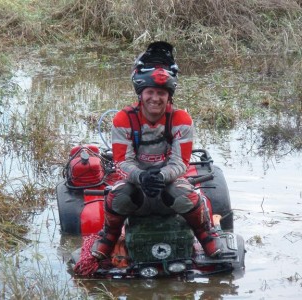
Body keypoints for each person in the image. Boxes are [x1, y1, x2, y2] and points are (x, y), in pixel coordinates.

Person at [91, 41, 222, 260]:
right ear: (140, 93)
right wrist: (141, 176)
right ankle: (110, 236)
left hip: (167, 184)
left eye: (161, 93)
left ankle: (205, 236)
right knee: (116, 196)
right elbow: (122, 163)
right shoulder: (123, 119)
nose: (155, 98)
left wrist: (160, 176)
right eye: (149, 92)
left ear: (169, 95)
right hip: (136, 185)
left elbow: (180, 163)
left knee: (187, 195)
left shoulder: (181, 119)